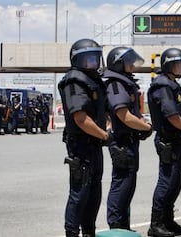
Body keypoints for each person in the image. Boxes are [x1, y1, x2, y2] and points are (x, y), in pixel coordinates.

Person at [58, 38, 112, 237]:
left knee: (94, 193)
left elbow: (105, 113)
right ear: (78, 60)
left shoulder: (94, 81)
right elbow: (80, 118)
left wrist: (107, 128)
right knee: (80, 193)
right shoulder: (74, 80)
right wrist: (105, 135)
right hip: (80, 145)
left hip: (95, 144)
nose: (93, 63)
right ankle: (72, 233)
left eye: (95, 58)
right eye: (88, 59)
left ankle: (89, 232)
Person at [147, 48, 181, 237]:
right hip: (169, 140)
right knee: (166, 182)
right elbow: (171, 115)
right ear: (168, 64)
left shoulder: (172, 85)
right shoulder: (163, 85)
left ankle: (167, 221)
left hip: (179, 141)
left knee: (175, 183)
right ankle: (156, 224)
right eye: (178, 63)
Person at [103, 47, 153, 230]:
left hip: (130, 141)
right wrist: (146, 126)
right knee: (122, 185)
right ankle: (116, 227)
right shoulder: (115, 84)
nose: (132, 65)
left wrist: (142, 124)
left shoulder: (124, 83)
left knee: (128, 185)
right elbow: (124, 115)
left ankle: (123, 226)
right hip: (122, 142)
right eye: (128, 61)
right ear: (118, 63)